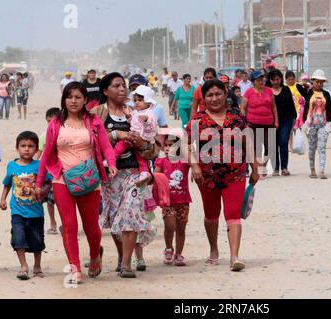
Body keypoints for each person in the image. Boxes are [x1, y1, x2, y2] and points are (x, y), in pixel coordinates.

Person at [35, 82, 118, 284]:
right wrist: (39, 183)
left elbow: (106, 147)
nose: (74, 101)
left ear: (85, 100)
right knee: (70, 225)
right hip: (62, 180)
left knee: (91, 227)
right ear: (64, 99)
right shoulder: (55, 123)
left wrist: (112, 164)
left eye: (78, 97)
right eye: (70, 97)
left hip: (89, 180)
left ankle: (94, 256)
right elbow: (45, 155)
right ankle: (75, 268)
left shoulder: (94, 121)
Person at [186, 79, 260, 271]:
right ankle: (213, 250)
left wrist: (255, 167)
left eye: (218, 94)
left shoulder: (237, 117)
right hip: (206, 176)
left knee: (233, 214)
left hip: (235, 172)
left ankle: (234, 256)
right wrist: (194, 166)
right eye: (209, 95)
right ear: (204, 98)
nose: (214, 98)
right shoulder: (198, 119)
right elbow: (185, 145)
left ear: (225, 93)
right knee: (211, 215)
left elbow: (248, 142)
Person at [92, 72, 157, 278]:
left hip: (134, 173)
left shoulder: (137, 112)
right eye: (116, 86)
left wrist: (142, 144)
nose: (122, 89)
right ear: (105, 91)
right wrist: (115, 135)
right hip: (110, 175)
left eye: (123, 86)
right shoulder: (96, 114)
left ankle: (127, 263)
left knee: (130, 213)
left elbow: (153, 147)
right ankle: (121, 257)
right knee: (114, 217)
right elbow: (90, 141)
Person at [0, 131, 52, 280]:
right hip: (17, 211)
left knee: (37, 240)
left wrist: (43, 191)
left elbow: (49, 182)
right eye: (23, 146)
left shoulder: (40, 165)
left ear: (36, 149)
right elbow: (7, 184)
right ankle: (23, 266)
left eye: (31, 146)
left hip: (36, 212)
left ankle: (37, 266)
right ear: (17, 148)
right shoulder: (12, 166)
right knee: (18, 237)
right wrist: (2, 199)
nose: (27, 149)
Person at [155, 129, 191, 266]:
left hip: (183, 200)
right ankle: (169, 248)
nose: (168, 148)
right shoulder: (161, 161)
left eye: (172, 145)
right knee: (170, 226)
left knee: (181, 229)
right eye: (166, 145)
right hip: (167, 201)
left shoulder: (184, 161)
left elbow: (195, 162)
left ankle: (179, 254)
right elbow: (155, 177)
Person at [113, 85, 158, 186]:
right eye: (135, 100)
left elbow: (152, 124)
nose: (137, 102)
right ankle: (144, 172)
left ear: (148, 102)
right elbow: (132, 122)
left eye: (140, 100)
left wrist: (146, 119)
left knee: (122, 144)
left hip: (142, 138)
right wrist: (128, 116)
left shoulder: (149, 113)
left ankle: (111, 158)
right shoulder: (136, 112)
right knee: (139, 157)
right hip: (135, 136)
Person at [240, 70, 279, 178]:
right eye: (258, 80)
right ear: (253, 81)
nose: (261, 81)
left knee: (269, 146)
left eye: (262, 79)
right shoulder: (248, 92)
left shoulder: (269, 91)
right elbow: (242, 107)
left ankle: (263, 165)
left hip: (269, 122)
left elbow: (274, 107)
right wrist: (244, 122)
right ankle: (257, 169)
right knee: (256, 148)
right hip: (253, 123)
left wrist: (276, 120)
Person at [303, 69, 331, 179]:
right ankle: (312, 170)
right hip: (311, 125)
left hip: (323, 125)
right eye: (317, 81)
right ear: (313, 81)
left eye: (321, 82)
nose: (319, 84)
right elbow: (303, 108)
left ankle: (322, 171)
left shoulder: (326, 95)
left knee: (322, 148)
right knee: (312, 148)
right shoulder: (308, 93)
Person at [35, 107, 61, 234]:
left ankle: (65, 223)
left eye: (53, 121)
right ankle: (53, 223)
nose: (51, 124)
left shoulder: (64, 133)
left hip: (63, 172)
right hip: (48, 173)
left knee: (63, 200)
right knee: (50, 200)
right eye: (48, 121)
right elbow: (38, 155)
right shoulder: (43, 136)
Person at [267, 70, 297, 176]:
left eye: (278, 79)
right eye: (273, 79)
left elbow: (291, 104)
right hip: (270, 121)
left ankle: (284, 167)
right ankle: (275, 168)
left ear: (281, 79)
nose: (276, 81)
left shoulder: (286, 89)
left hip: (286, 120)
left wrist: (294, 118)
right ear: (270, 80)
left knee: (283, 142)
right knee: (273, 144)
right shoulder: (267, 91)